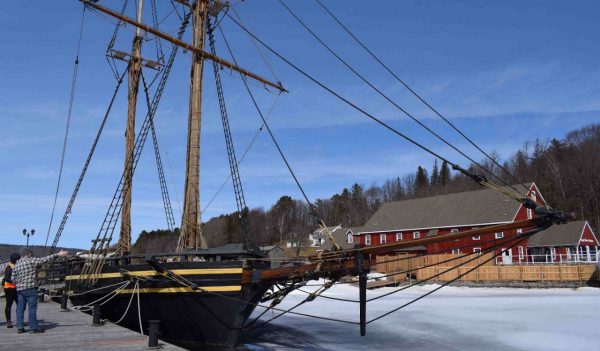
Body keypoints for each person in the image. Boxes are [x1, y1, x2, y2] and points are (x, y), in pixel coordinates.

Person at [13, 248, 68, 334]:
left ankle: (20, 327)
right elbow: (44, 259)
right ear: (29, 253)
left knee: (20, 308)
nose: (33, 254)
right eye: (32, 253)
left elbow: (13, 278)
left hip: (20, 289)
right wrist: (58, 254)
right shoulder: (31, 260)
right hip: (30, 288)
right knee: (32, 308)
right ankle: (33, 328)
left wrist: (19, 283)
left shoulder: (17, 263)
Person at [3, 253, 20, 328]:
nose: (19, 260)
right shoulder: (9, 267)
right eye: (18, 259)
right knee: (9, 305)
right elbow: (6, 278)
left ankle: (19, 320)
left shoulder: (15, 266)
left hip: (16, 288)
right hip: (9, 288)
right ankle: (8, 321)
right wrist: (15, 281)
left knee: (20, 305)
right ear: (15, 260)